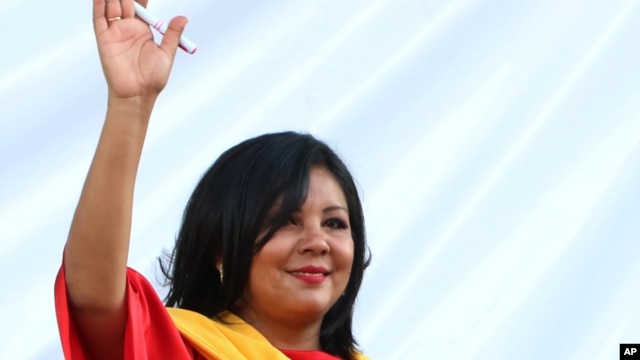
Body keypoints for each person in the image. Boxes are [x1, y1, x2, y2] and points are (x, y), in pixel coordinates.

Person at [54, 0, 371, 359]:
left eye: (334, 223)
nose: (318, 242)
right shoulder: (182, 349)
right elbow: (93, 298)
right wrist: (131, 105)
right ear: (220, 248)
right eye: (285, 221)